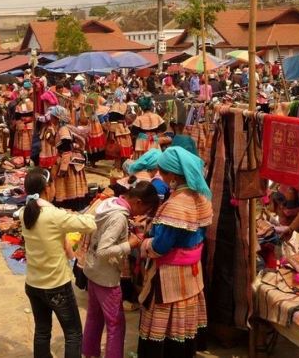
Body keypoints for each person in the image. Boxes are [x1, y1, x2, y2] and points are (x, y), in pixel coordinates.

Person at [138, 147, 212, 358]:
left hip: (170, 274)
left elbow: (160, 247)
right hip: (192, 271)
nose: (160, 176)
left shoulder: (176, 205)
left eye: (162, 172)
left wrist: (144, 244)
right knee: (184, 317)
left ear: (172, 175)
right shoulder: (201, 196)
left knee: (165, 320)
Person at [20, 168, 97, 358]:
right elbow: (91, 224)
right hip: (56, 286)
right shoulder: (54, 215)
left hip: (33, 283)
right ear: (47, 187)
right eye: (53, 184)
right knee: (73, 333)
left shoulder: (25, 212)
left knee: (42, 330)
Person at [82, 182, 160, 358]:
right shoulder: (119, 217)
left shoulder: (109, 204)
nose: (140, 215)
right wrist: (129, 244)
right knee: (116, 323)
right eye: (144, 209)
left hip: (92, 269)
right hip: (106, 276)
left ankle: (89, 352)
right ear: (138, 202)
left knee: (94, 315)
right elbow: (103, 250)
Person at [48, 106, 88, 210]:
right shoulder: (61, 129)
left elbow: (66, 149)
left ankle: (69, 206)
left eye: (52, 116)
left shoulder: (63, 130)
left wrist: (63, 168)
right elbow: (57, 144)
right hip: (68, 160)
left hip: (68, 162)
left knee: (66, 184)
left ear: (57, 118)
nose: (50, 118)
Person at [131, 95, 165, 159]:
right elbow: (163, 128)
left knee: (142, 158)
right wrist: (155, 133)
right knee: (154, 157)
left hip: (141, 142)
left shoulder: (139, 118)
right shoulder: (157, 117)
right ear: (151, 107)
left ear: (142, 108)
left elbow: (133, 132)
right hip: (154, 141)